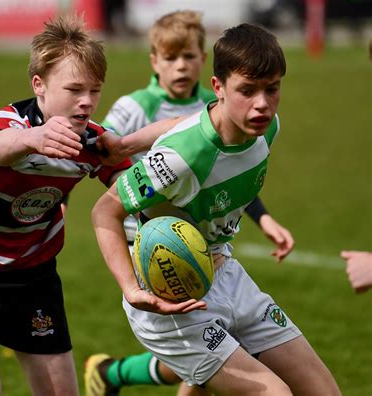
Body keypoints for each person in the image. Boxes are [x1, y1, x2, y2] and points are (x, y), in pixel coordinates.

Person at [91, 23, 341, 395]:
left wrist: (126, 144)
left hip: (225, 274)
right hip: (170, 296)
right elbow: (104, 211)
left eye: (272, 89)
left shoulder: (267, 129)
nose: (262, 104)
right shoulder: (180, 157)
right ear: (218, 88)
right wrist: (130, 289)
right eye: (247, 91)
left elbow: (184, 121)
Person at [0, 17, 133, 395]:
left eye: (95, 91)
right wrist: (34, 138)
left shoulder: (91, 141)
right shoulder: (10, 123)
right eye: (74, 89)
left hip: (32, 278)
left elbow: (131, 185)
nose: (86, 101)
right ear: (39, 85)